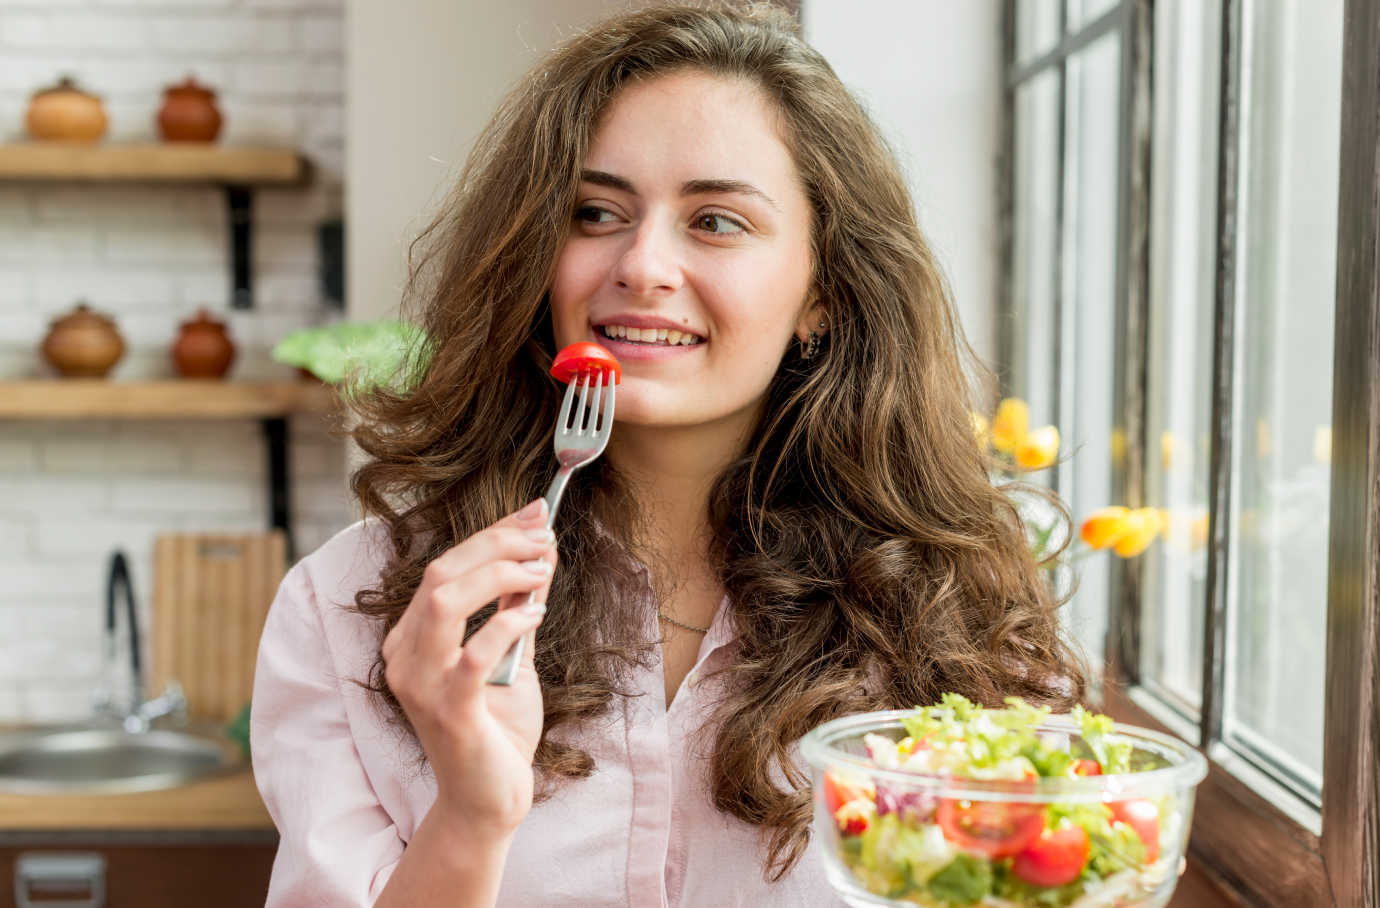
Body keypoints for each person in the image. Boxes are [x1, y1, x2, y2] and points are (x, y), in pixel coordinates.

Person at [251, 4, 1087, 907]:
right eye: (596, 212)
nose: (642, 264)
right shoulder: (347, 610)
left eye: (718, 221)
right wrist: (469, 817)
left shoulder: (960, 615)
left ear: (825, 294)